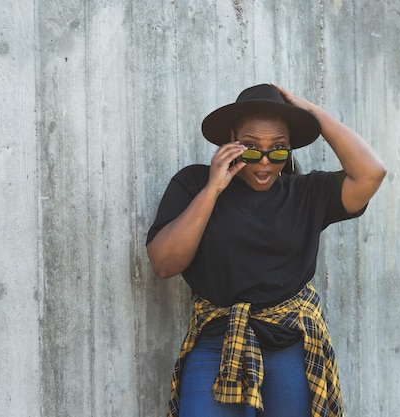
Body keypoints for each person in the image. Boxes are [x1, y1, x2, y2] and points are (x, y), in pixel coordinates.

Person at [146, 83, 386, 417]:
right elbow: (164, 263)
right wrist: (213, 189)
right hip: (217, 341)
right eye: (250, 148)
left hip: (287, 345)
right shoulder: (193, 183)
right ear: (231, 139)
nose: (263, 162)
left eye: (278, 149)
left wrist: (311, 112)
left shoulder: (306, 193)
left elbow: (372, 172)